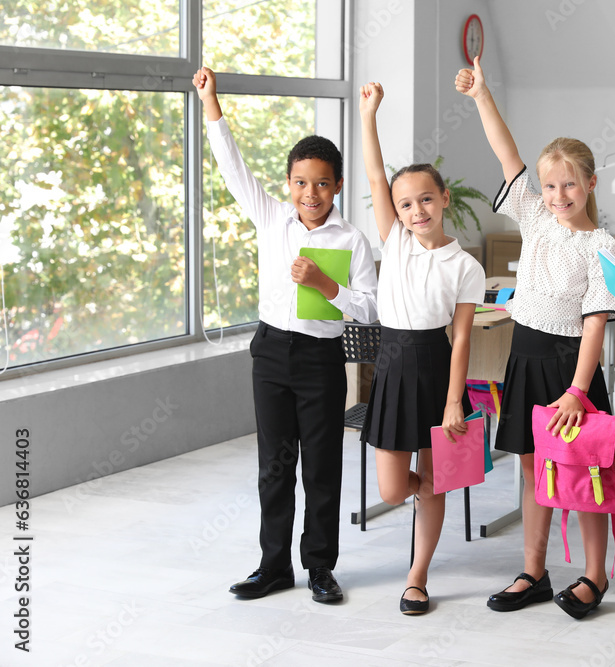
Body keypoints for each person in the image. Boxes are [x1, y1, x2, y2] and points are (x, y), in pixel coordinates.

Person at [193, 66, 379, 604]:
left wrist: (326, 283)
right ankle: (273, 566)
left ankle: (320, 568)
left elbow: (368, 310)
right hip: (271, 352)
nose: (311, 193)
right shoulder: (272, 219)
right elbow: (232, 168)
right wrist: (211, 104)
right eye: (301, 182)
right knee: (274, 466)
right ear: (288, 185)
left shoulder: (353, 240)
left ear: (338, 185)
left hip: (323, 357)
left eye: (322, 182)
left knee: (321, 468)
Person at [456, 57, 615, 620]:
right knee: (532, 467)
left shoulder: (603, 244)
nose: (556, 194)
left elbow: (597, 321)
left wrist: (578, 391)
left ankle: (595, 576)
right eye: (549, 185)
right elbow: (509, 156)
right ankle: (533, 569)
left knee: (582, 471)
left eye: (568, 184)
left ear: (590, 184)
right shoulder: (534, 218)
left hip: (568, 367)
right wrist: (482, 96)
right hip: (524, 353)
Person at [358, 81, 485, 615]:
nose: (416, 210)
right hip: (391, 367)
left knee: (433, 480)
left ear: (444, 199)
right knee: (392, 490)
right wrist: (369, 116)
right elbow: (372, 174)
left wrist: (456, 399)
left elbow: (460, 338)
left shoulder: (466, 266)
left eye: (425, 199)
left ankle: (417, 576)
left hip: (437, 369)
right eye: (406, 203)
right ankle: (433, 490)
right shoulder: (397, 241)